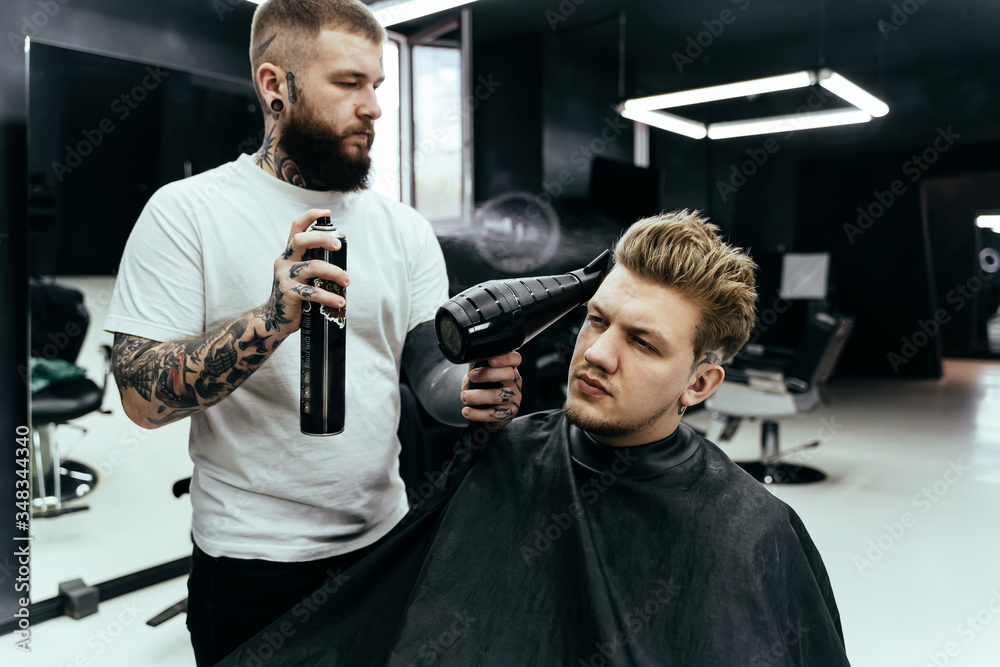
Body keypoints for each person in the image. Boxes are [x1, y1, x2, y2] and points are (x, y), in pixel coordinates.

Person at [217, 210, 851, 666]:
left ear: (699, 383)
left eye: (642, 342)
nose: (597, 353)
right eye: (596, 320)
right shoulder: (508, 454)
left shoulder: (752, 530)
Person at [102, 1, 521, 664]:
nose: (373, 108)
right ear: (275, 85)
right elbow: (139, 399)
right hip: (251, 566)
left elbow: (429, 375)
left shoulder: (405, 229)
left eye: (376, 85)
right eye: (348, 83)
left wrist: (473, 389)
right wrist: (271, 320)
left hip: (383, 547)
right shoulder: (186, 214)